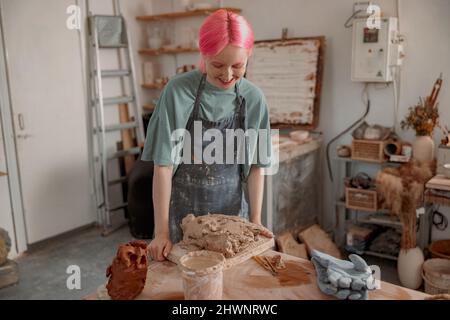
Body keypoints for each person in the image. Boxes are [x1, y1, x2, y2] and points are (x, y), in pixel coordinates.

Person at [142, 9, 272, 261]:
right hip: (182, 218)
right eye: (217, 65)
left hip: (233, 219)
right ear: (203, 54)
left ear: (249, 56)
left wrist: (255, 222)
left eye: (238, 66)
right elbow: (163, 166)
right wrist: (160, 233)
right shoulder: (177, 91)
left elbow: (257, 166)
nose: (227, 75)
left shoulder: (254, 98)